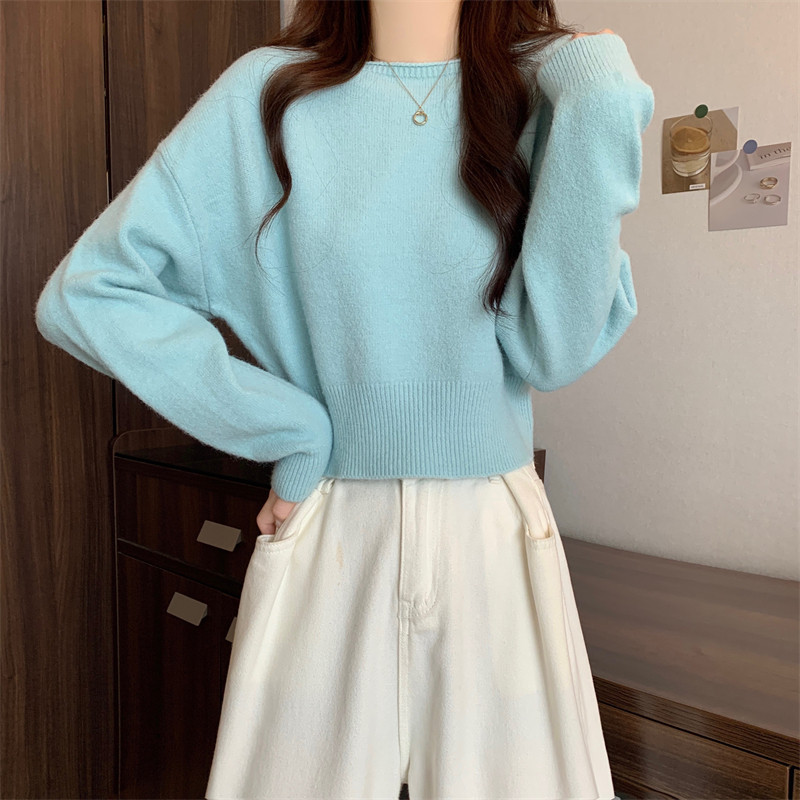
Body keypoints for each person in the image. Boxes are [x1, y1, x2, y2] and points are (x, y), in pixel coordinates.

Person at [34, 0, 655, 797]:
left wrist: (597, 89)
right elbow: (90, 292)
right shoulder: (268, 94)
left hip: (493, 537)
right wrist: (293, 430)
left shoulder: (542, 92)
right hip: (333, 527)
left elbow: (554, 350)